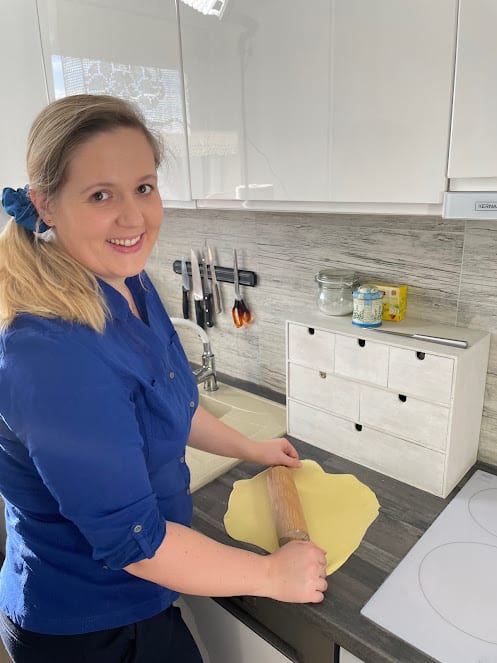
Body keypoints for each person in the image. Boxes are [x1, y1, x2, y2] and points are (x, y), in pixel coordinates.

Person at [0, 94, 327, 662]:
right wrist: (272, 576)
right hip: (85, 625)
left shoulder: (130, 282)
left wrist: (251, 447)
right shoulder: (49, 353)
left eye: (144, 188)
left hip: (144, 596)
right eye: (101, 194)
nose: (134, 218)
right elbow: (137, 542)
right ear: (45, 205)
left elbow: (168, 399)